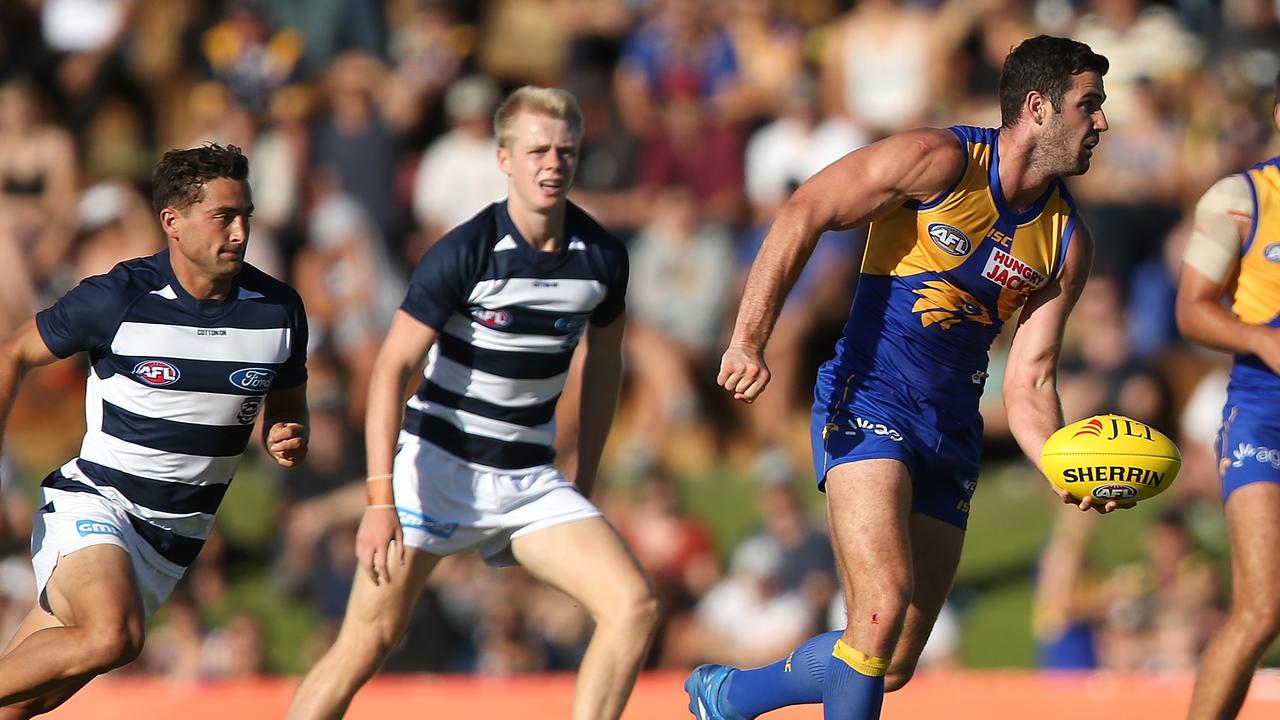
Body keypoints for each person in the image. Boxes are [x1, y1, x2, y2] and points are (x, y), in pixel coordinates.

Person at [686, 34, 1115, 720]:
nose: (1102, 122)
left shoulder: (1067, 240)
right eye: (1088, 104)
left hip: (952, 429)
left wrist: (1065, 465)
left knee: (891, 662)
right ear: (1037, 107)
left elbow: (1031, 382)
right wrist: (749, 339)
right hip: (871, 394)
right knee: (879, 609)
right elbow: (806, 210)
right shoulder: (939, 159)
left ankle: (732, 694)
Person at [288, 86, 660, 720]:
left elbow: (605, 367)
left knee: (635, 607)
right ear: (504, 159)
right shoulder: (464, 251)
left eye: (565, 152)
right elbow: (389, 371)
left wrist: (586, 475)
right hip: (435, 473)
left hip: (528, 481)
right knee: (363, 645)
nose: (552, 164)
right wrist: (380, 500)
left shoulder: (602, 257)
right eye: (537, 150)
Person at [0, 143, 310, 718]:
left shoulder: (279, 309)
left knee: (19, 704)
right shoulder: (119, 296)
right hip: (98, 505)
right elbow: (12, 352)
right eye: (223, 217)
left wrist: (287, 431)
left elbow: (288, 403)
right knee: (112, 635)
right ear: (173, 221)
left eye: (246, 215)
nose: (240, 232)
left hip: (171, 546)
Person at [1178, 72, 1280, 720]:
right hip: (1264, 414)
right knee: (1262, 607)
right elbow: (1192, 310)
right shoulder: (1240, 198)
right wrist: (1265, 342)